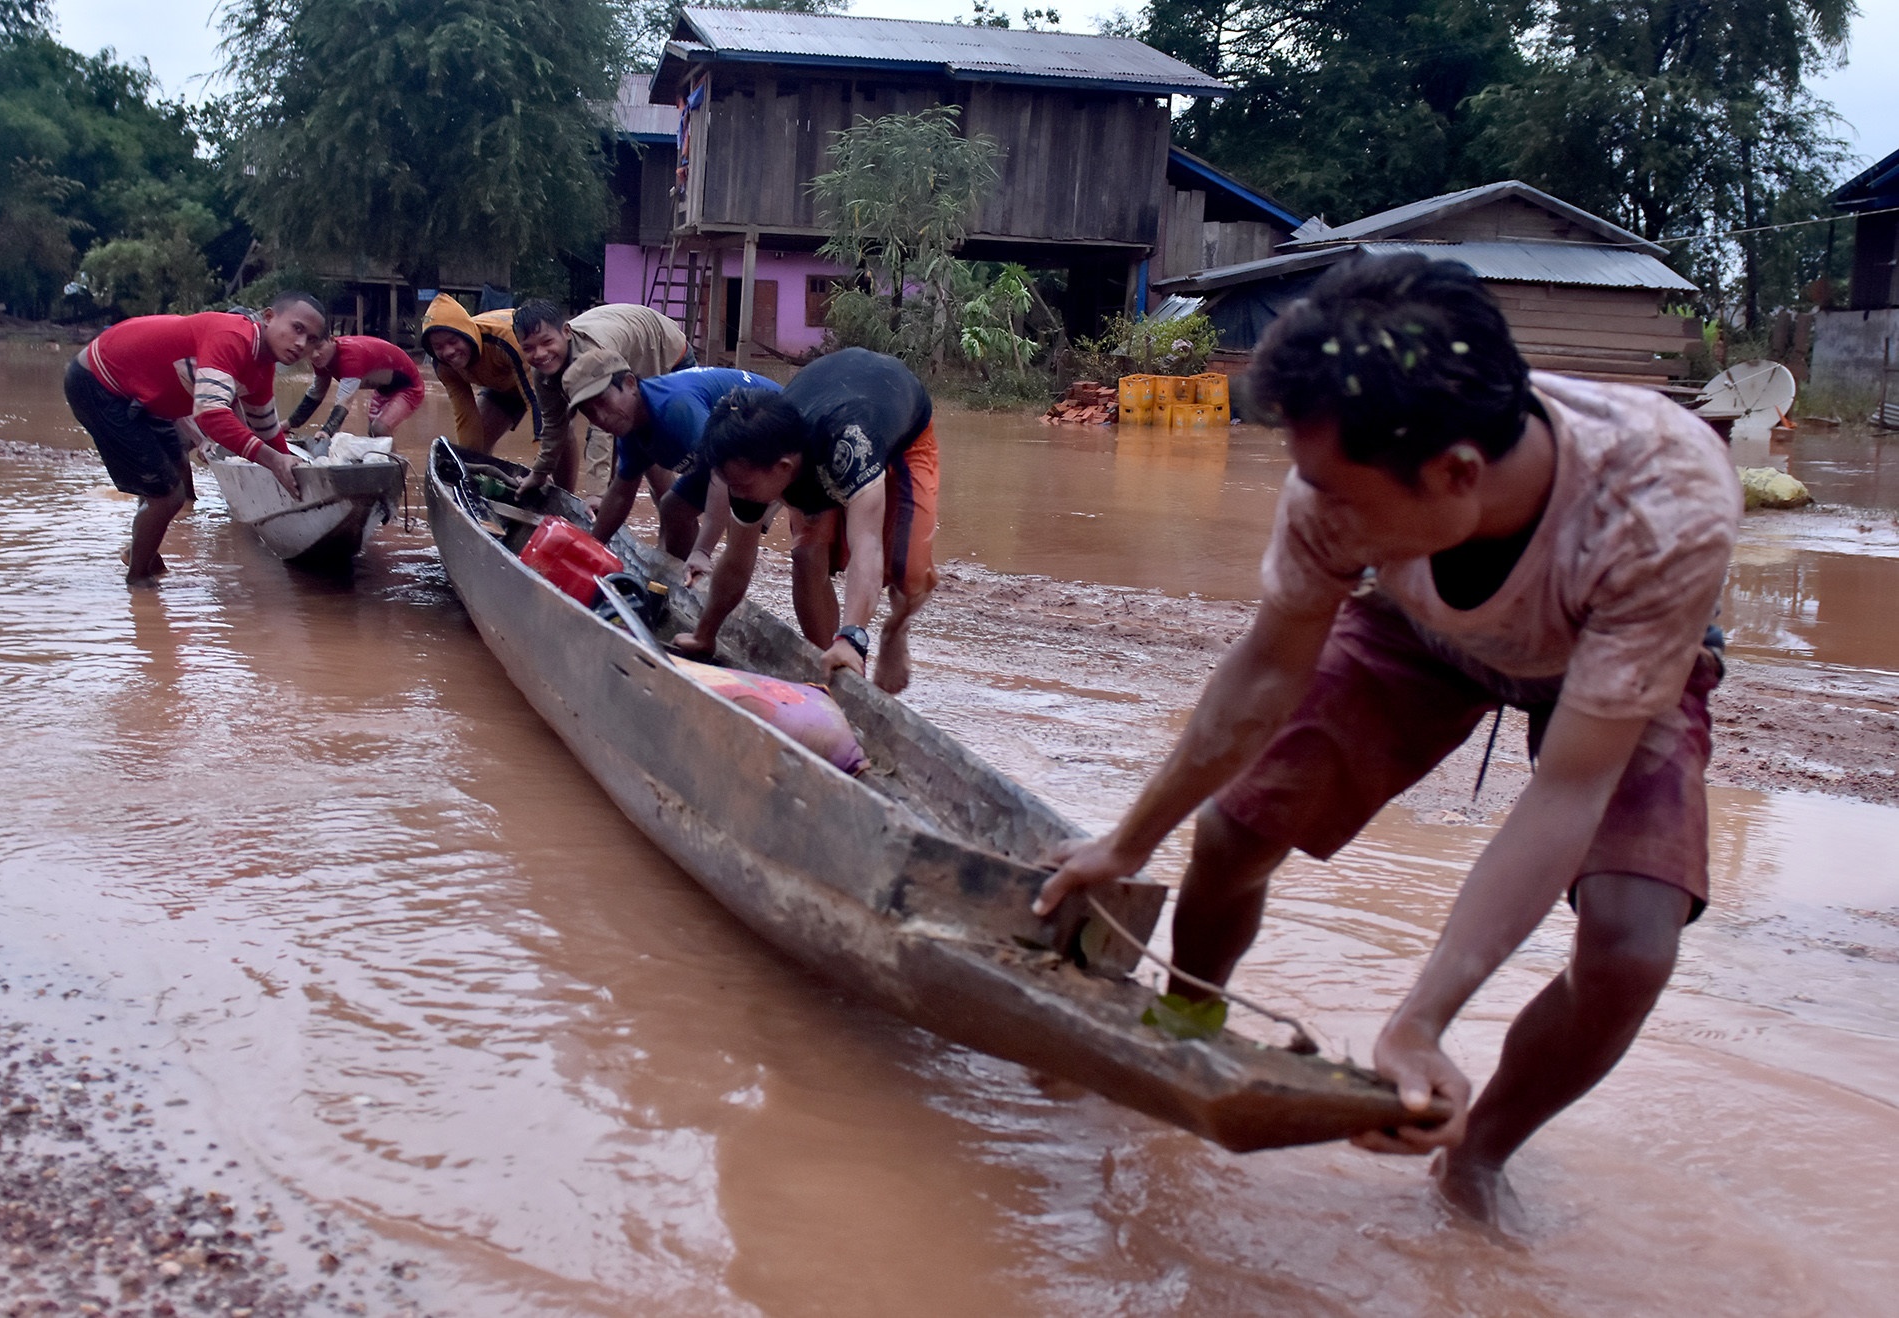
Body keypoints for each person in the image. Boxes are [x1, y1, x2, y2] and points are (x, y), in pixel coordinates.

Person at [1034, 254, 1741, 1226]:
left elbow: (1571, 787)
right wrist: (1131, 838)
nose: (1313, 508)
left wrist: (1421, 1020)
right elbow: (1265, 674)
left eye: (1341, 494)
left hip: (1614, 659)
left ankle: (1476, 1157)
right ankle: (1184, 1018)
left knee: (1631, 949)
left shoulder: (1663, 506)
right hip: (1422, 624)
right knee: (1237, 831)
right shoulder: (1342, 485)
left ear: (1456, 472)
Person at [677, 347, 941, 694]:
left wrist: (853, 636)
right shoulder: (751, 468)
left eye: (741, 485)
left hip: (902, 428)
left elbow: (867, 545)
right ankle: (830, 668)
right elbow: (737, 559)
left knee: (908, 572)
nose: (735, 493)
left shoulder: (849, 448)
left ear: (783, 469)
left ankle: (894, 631)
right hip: (824, 403)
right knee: (806, 557)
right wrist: (704, 634)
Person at [65, 292, 327, 582]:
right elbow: (211, 416)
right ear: (268, 318)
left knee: (174, 470)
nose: (301, 344)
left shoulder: (261, 370)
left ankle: (138, 553)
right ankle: (138, 581)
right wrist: (273, 461)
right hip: (99, 382)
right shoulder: (232, 337)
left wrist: (292, 465)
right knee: (168, 496)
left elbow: (267, 431)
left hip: (144, 394)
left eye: (312, 339)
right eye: (297, 328)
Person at [560, 348, 778, 568]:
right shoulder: (630, 427)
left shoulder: (674, 408)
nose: (600, 417)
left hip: (773, 435)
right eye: (589, 412)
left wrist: (703, 551)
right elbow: (621, 494)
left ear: (629, 384)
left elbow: (722, 471)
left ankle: (720, 575)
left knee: (738, 523)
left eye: (602, 402)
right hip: (727, 454)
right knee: (673, 509)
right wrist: (590, 548)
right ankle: (686, 577)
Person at [512, 299, 692, 495]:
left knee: (647, 443)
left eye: (547, 342)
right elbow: (554, 424)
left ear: (566, 332)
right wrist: (539, 473)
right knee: (624, 452)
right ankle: (607, 513)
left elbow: (602, 425)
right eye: (528, 348)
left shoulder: (593, 354)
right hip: (625, 344)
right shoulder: (542, 370)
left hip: (668, 352)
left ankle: (671, 514)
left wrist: (595, 492)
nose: (540, 353)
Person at [419, 292, 538, 455]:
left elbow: (539, 403)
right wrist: (469, 465)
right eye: (438, 347)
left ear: (467, 335)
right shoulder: (444, 367)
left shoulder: (507, 341)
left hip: (543, 376)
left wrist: (542, 465)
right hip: (503, 386)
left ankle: (562, 481)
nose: (448, 352)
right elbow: (465, 416)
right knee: (476, 447)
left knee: (560, 432)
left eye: (453, 341)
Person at [285, 333, 426, 439]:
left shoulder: (350, 357)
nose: (315, 355)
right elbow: (316, 394)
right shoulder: (322, 360)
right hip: (383, 389)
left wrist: (327, 431)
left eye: (319, 347)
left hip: (410, 387)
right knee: (373, 434)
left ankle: (397, 470)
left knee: (380, 430)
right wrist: (288, 424)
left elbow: (345, 401)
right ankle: (387, 465)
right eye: (309, 351)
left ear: (332, 340)